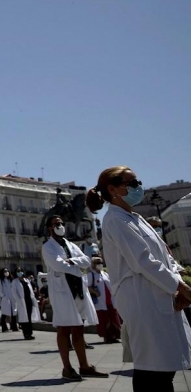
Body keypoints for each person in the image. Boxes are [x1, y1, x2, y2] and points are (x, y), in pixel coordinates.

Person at [88, 166, 191, 391]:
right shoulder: (115, 220)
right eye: (132, 184)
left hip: (159, 296)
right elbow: (142, 261)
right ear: (113, 189)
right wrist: (181, 287)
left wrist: (178, 274)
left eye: (138, 182)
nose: (138, 188)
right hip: (142, 300)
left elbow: (163, 254)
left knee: (165, 366)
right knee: (153, 369)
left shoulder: (134, 217)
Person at [42, 215, 108, 382]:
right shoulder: (48, 247)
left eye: (62, 223)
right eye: (57, 224)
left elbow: (86, 261)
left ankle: (84, 366)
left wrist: (71, 261)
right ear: (50, 227)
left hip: (78, 289)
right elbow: (58, 265)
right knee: (64, 329)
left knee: (78, 328)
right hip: (63, 291)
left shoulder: (71, 245)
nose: (61, 226)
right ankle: (67, 368)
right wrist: (74, 264)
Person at [86, 257, 121, 343]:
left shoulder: (105, 274)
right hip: (101, 300)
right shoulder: (91, 275)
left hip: (110, 299)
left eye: (101, 262)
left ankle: (114, 336)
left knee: (113, 317)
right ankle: (107, 336)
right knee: (104, 318)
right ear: (93, 265)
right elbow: (88, 286)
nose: (100, 264)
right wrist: (95, 292)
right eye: (97, 262)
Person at [12, 268, 40, 340]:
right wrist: (19, 300)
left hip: (29, 301)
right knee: (24, 319)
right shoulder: (15, 282)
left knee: (29, 318)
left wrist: (33, 299)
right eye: (18, 271)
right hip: (22, 302)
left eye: (21, 271)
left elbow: (31, 291)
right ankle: (26, 334)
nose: (20, 272)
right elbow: (14, 293)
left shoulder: (26, 280)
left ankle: (30, 333)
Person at [0, 268, 18, 332]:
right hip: (5, 299)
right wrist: (3, 296)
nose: (6, 272)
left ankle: (14, 327)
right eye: (5, 271)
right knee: (5, 313)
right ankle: (4, 327)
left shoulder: (11, 280)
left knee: (14, 313)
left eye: (7, 271)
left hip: (12, 298)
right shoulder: (1, 281)